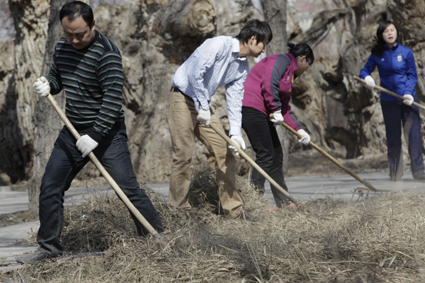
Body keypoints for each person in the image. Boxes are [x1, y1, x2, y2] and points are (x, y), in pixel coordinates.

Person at [17, 1, 163, 264]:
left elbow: (112, 100)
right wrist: (48, 84)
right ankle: (49, 249)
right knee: (50, 185)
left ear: (93, 25)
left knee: (127, 189)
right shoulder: (63, 46)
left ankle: (158, 239)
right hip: (72, 131)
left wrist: (95, 135)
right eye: (68, 33)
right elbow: (58, 78)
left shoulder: (107, 53)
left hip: (106, 133)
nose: (74, 39)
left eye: (80, 34)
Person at [167, 19, 273, 220]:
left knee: (226, 152)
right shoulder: (219, 44)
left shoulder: (242, 67)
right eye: (263, 44)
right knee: (183, 153)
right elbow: (194, 73)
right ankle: (178, 211)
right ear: (252, 39)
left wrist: (235, 133)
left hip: (203, 106)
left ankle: (234, 210)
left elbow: (234, 100)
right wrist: (203, 106)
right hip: (182, 98)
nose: (263, 50)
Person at [241, 43, 314, 208]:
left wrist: (299, 130)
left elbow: (285, 110)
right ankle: (254, 201)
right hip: (251, 107)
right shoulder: (282, 60)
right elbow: (269, 82)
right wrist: (275, 108)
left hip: (263, 112)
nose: (306, 70)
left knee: (276, 155)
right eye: (308, 65)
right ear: (303, 59)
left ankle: (283, 200)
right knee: (266, 154)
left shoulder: (290, 78)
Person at [359, 20, 425, 181]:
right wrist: (367, 78)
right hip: (388, 101)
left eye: (392, 30)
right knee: (394, 138)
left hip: (408, 100)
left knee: (414, 136)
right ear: (381, 35)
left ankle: (419, 171)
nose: (390, 33)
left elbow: (412, 75)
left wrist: (409, 93)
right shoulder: (377, 54)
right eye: (386, 31)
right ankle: (395, 172)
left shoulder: (406, 52)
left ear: (396, 32)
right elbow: (363, 71)